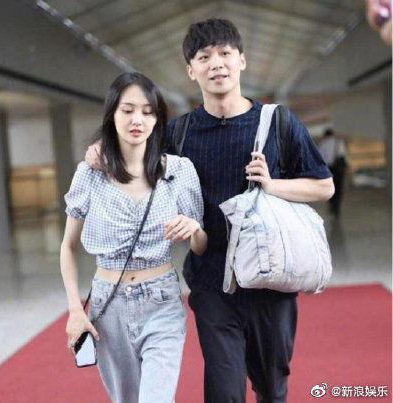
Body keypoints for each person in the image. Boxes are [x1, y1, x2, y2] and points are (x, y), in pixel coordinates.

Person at [86, 19, 334, 403]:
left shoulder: (278, 123)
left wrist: (273, 185)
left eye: (225, 53)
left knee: (272, 388)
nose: (216, 63)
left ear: (241, 61)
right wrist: (101, 149)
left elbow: (324, 185)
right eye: (204, 57)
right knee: (223, 390)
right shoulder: (179, 133)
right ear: (191, 70)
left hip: (271, 279)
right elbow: (134, 149)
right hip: (211, 281)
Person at [61, 72, 207, 403]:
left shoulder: (178, 171)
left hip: (161, 300)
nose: (137, 119)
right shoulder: (90, 174)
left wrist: (194, 229)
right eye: (127, 110)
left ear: (157, 119)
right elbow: (68, 247)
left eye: (147, 111)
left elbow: (201, 246)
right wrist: (74, 309)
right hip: (107, 305)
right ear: (112, 115)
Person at [318, 128, 348, 217]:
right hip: (339, 169)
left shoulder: (323, 144)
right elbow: (343, 156)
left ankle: (332, 205)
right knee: (339, 187)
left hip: (328, 169)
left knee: (330, 187)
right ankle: (337, 206)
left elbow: (320, 158)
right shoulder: (339, 143)